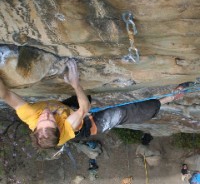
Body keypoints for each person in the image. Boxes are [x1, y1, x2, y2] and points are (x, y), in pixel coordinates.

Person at [0, 59, 192, 149]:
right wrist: (75, 83)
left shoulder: (29, 114)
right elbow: (84, 109)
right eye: (50, 119)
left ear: (35, 126)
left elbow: (6, 93)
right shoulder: (68, 126)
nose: (46, 115)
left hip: (68, 107)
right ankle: (169, 98)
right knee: (121, 113)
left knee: (86, 96)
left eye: (44, 118)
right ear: (58, 126)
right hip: (88, 125)